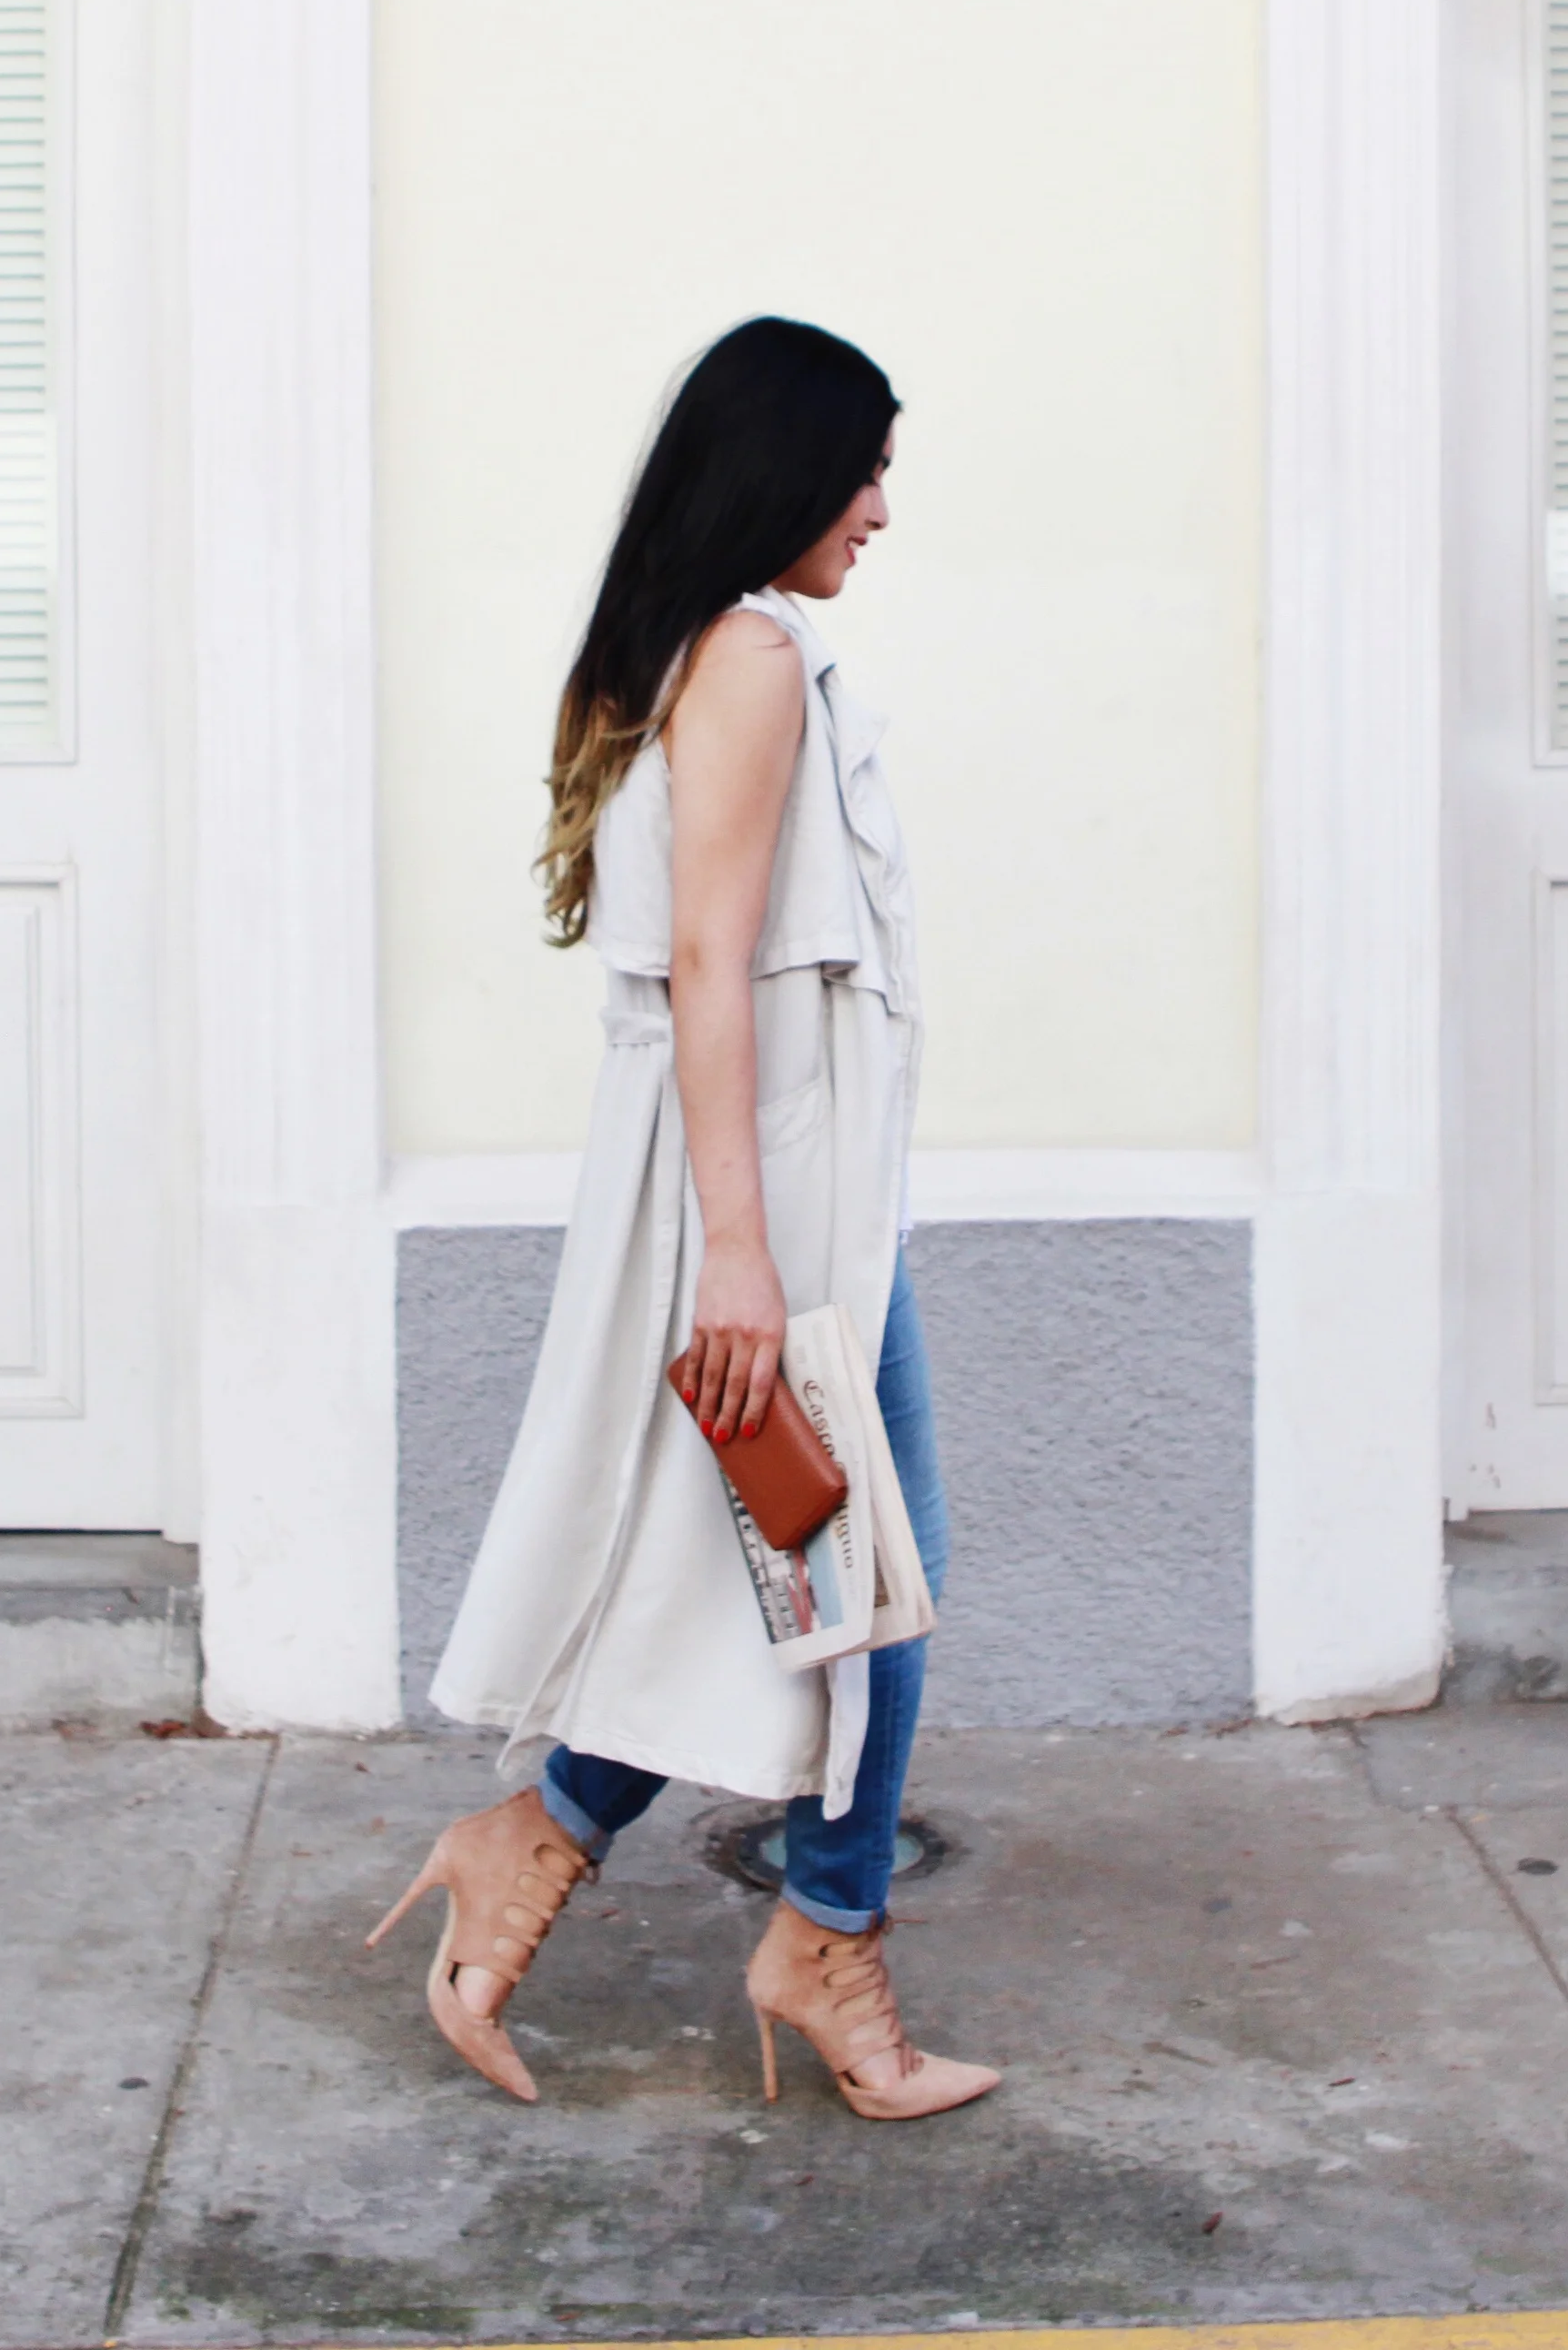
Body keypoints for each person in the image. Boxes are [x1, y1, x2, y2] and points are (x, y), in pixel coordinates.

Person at [369, 317, 998, 2123]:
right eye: (863, 471)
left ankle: (540, 1846)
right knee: (862, 1592)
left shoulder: (705, 649)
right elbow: (714, 964)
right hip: (773, 1196)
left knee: (766, 1579)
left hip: (781, 1186)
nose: (879, 510)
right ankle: (823, 1938)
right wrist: (743, 1251)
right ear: (784, 471)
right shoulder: (754, 659)